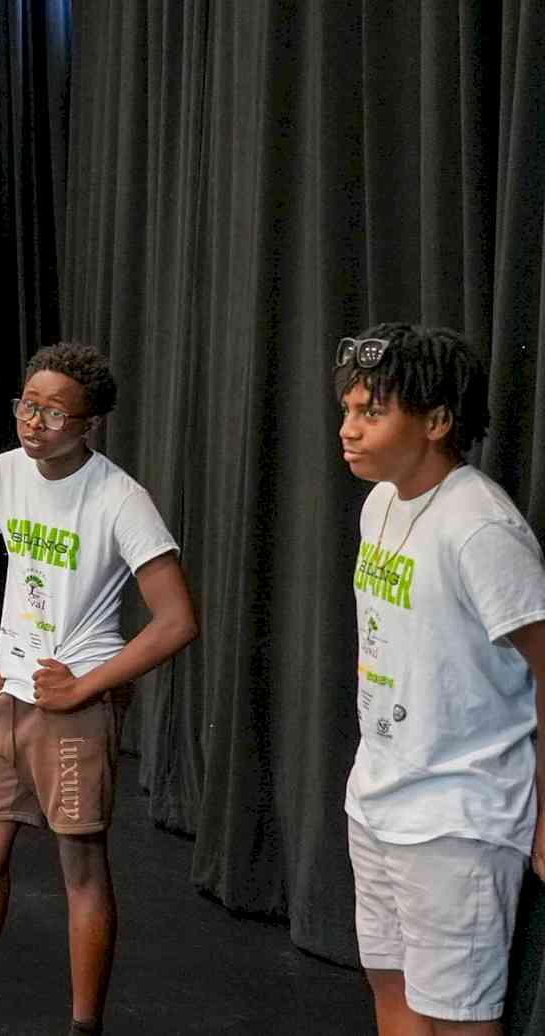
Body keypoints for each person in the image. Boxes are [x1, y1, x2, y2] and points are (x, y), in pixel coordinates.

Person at [0, 342, 199, 1036]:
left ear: (89, 423)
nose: (34, 421)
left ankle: (84, 1028)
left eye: (53, 411)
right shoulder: (1, 476)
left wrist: (88, 687)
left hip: (72, 708)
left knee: (79, 865)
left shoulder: (118, 497)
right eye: (28, 404)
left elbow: (176, 620)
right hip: (3, 699)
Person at [333, 324, 545, 1035]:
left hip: (458, 817)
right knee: (389, 986)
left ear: (437, 421)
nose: (350, 430)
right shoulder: (380, 504)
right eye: (348, 410)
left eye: (371, 412)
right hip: (379, 800)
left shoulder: (480, 528)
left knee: (457, 1019)